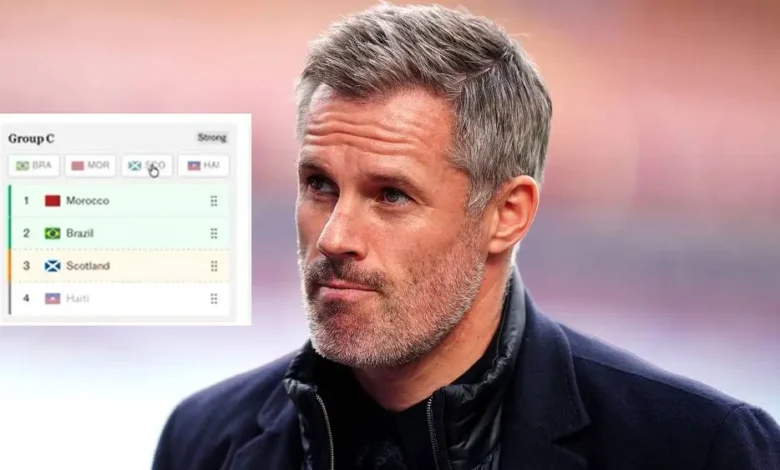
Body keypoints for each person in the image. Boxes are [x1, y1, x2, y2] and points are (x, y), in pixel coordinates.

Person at [152, 4, 780, 469]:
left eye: (391, 195)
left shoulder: (700, 449)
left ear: (507, 214)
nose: (336, 237)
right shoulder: (205, 440)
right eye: (320, 185)